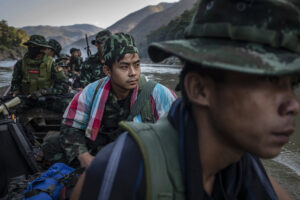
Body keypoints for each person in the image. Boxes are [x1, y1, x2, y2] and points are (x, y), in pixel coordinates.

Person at [71, 0, 299, 199]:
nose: (293, 106)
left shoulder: (241, 164)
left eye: (292, 84)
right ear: (199, 89)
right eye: (267, 82)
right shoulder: (122, 172)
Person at [48, 32, 177, 168]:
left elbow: (175, 139)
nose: (133, 73)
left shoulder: (160, 94)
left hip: (143, 158)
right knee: (51, 144)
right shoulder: (91, 92)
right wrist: (85, 157)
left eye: (137, 65)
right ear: (107, 71)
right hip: (103, 153)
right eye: (124, 67)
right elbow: (70, 126)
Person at [10, 35, 69, 113]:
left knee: (69, 105)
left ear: (42, 48)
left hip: (47, 99)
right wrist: (16, 90)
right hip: (26, 99)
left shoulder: (52, 64)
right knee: (6, 109)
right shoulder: (20, 63)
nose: (31, 48)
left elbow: (64, 85)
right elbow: (15, 82)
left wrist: (44, 92)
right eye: (30, 46)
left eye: (34, 46)